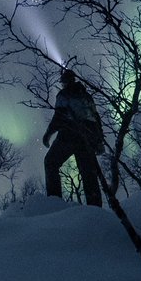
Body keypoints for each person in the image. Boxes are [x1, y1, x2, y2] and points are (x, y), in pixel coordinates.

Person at [42, 69, 104, 206]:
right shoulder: (86, 96)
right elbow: (96, 119)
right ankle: (95, 208)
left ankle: (54, 202)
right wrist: (99, 141)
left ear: (65, 81)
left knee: (50, 162)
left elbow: (59, 117)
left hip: (68, 136)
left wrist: (48, 134)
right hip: (87, 138)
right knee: (88, 173)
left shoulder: (64, 95)